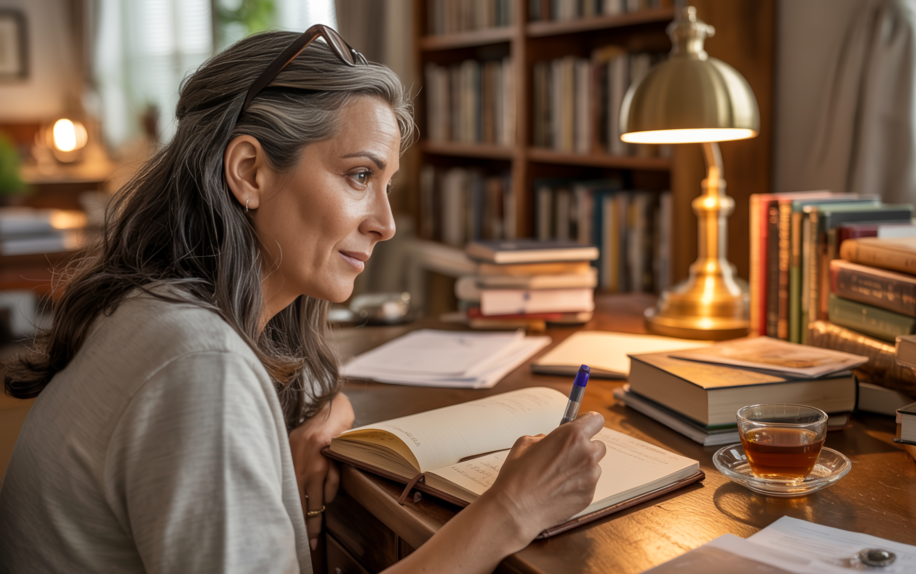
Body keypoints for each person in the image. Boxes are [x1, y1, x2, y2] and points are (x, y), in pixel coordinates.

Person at [0, 26, 607, 574]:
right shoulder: (200, 366)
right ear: (249, 172)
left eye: (387, 184)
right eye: (360, 176)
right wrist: (511, 509)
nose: (386, 223)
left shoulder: (151, 310)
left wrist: (325, 413)